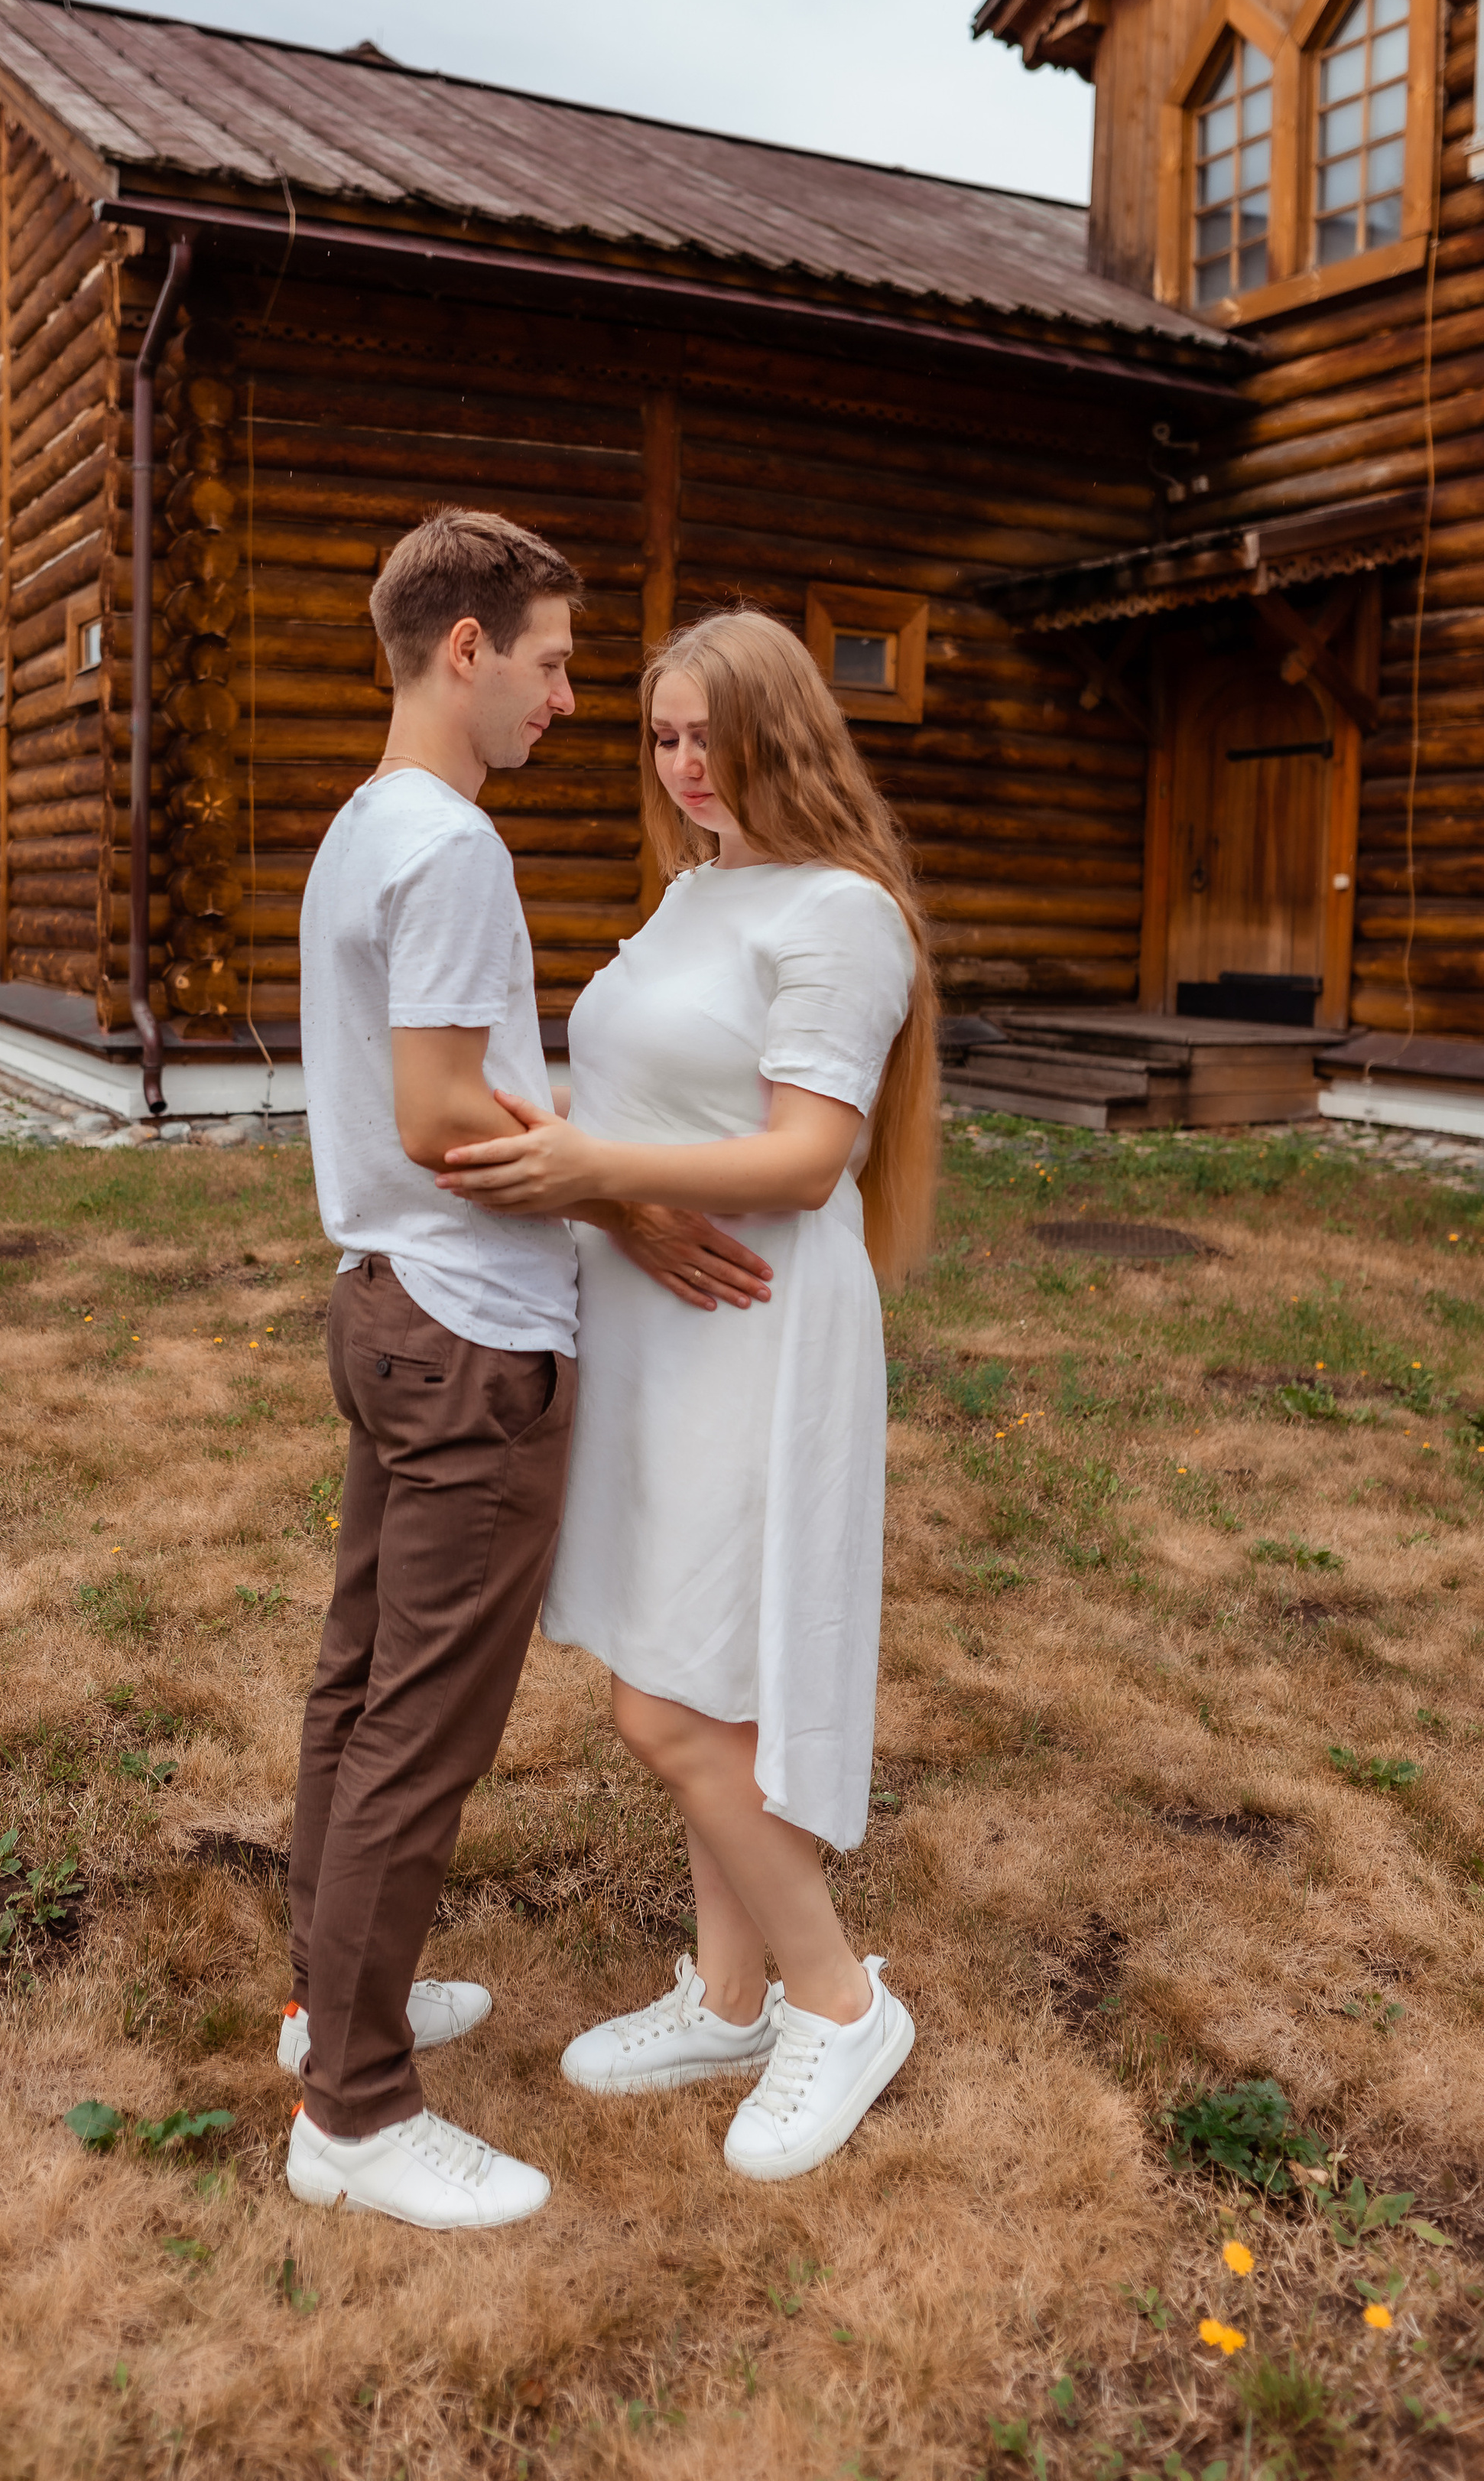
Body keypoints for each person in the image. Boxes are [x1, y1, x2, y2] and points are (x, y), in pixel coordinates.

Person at [284, 512, 773, 2232]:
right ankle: (353, 2111)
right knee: (421, 1725)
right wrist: (624, 1199)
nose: (573, 700)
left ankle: (325, 2000)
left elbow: (436, 1099)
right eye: (557, 664)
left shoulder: (364, 827)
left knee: (356, 1686)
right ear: (467, 648)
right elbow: (436, 1119)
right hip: (469, 1336)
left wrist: (592, 1178)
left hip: (383, 1304)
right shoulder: (451, 852)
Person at [437, 606, 937, 2182]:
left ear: (782, 733)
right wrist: (572, 1153)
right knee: (692, 1677)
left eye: (708, 737)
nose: (680, 764)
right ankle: (727, 1999)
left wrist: (594, 1167)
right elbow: (654, 1089)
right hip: (663, 1322)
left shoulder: (842, 915)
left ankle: (837, 2002)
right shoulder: (695, 892)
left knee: (661, 1706)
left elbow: (806, 1155)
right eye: (658, 736)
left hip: (760, 1326)